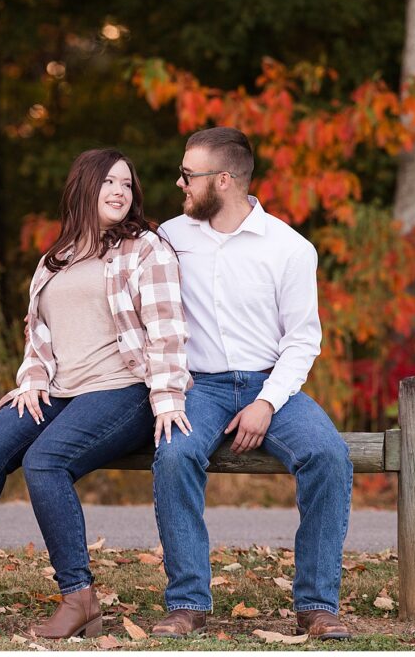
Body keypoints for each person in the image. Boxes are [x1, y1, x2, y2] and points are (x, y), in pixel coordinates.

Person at [0, 148, 193, 639]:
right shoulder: (55, 259)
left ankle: (80, 598)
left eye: (126, 185)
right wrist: (32, 382)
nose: (118, 191)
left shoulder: (146, 250)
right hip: (61, 390)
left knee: (45, 461)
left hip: (124, 389)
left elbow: (167, 333)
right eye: (108, 182)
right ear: (82, 188)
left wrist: (169, 399)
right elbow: (40, 337)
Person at [149, 127, 353, 640]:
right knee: (174, 455)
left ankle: (317, 606)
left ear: (222, 180)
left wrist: (265, 402)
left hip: (272, 385)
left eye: (188, 175)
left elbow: (303, 341)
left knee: (329, 455)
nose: (180, 183)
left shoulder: (288, 247)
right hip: (201, 387)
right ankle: (188, 603)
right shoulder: (169, 238)